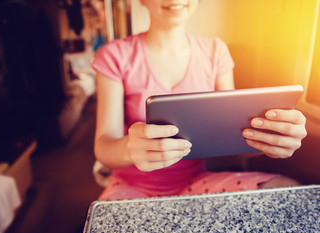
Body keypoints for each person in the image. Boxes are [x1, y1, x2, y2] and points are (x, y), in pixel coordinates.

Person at [91, 0, 307, 200]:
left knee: (289, 189)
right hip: (130, 187)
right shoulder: (114, 55)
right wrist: (130, 148)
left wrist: (270, 138)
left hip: (195, 183)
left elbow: (232, 136)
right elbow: (103, 146)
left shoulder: (215, 52)